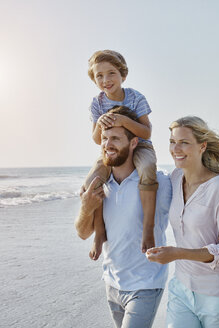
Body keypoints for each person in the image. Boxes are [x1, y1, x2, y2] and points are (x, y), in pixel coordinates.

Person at [75, 106, 171, 328]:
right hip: (112, 284)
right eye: (105, 138)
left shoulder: (160, 182)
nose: (108, 144)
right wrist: (86, 207)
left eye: (116, 138)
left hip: (145, 284)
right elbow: (81, 233)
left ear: (134, 143)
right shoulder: (99, 185)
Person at [146, 116, 219, 328]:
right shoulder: (174, 178)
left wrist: (177, 253)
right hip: (181, 289)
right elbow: (142, 181)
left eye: (184, 142)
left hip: (218, 294)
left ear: (202, 146)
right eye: (173, 142)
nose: (176, 148)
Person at [84, 50, 158, 260]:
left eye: (111, 73)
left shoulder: (136, 97)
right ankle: (99, 233)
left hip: (141, 146)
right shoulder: (97, 103)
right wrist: (100, 123)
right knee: (93, 182)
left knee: (147, 170)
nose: (105, 80)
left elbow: (146, 132)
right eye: (99, 75)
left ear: (122, 75)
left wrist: (124, 121)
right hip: (110, 149)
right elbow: (97, 139)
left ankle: (148, 228)